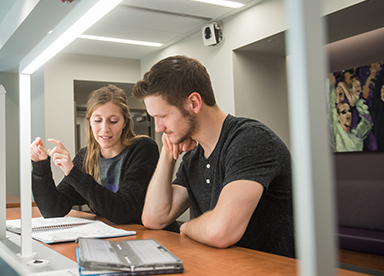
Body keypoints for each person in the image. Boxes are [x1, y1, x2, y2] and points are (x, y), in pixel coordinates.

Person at [132, 55, 295, 258]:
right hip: (225, 266)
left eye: (162, 116)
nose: (158, 128)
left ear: (193, 103)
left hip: (273, 269)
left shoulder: (250, 140)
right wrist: (168, 154)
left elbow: (221, 232)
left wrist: (186, 228)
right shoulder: (194, 157)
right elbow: (154, 219)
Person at [31, 85, 159, 225]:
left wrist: (73, 173)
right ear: (90, 122)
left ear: (125, 122)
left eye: (113, 121)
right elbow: (53, 210)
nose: (105, 129)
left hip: (147, 236)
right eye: (98, 121)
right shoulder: (84, 157)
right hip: (111, 235)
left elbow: (124, 213)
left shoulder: (143, 148)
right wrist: (40, 166)